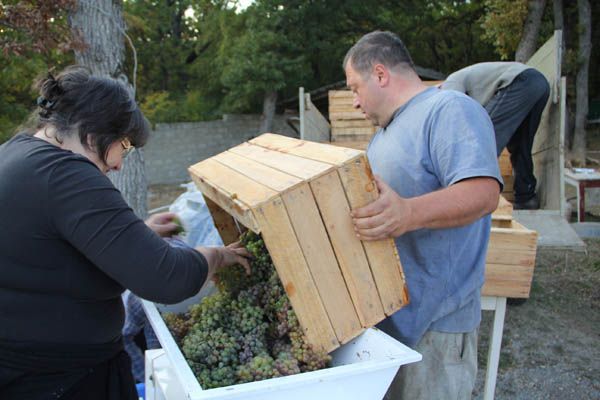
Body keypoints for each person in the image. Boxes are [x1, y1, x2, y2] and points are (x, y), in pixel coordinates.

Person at [0, 66, 251, 400]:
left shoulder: (15, 153)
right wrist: (218, 255)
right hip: (62, 378)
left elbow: (50, 252)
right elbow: (167, 278)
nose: (119, 163)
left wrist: (139, 234)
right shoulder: (66, 174)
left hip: (26, 370)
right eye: (125, 145)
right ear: (93, 133)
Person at [343, 31, 502, 399]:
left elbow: (484, 191)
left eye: (355, 88)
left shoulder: (448, 109)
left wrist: (408, 213)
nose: (354, 102)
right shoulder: (384, 134)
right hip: (391, 324)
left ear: (380, 74)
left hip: (437, 328)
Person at [441, 62, 551, 210]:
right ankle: (526, 197)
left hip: (520, 81)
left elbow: (453, 114)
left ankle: (474, 198)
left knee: (482, 139)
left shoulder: (450, 83)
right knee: (520, 146)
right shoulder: (466, 80)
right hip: (540, 84)